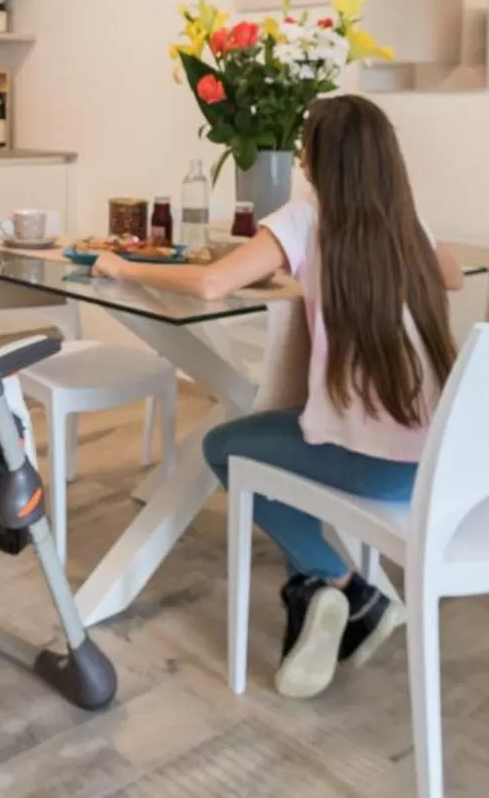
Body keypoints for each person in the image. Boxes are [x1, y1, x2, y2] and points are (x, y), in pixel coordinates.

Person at [91, 94, 464, 700]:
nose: (299, 161)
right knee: (286, 433)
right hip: (432, 460)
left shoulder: (307, 216)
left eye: (304, 149)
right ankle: (325, 596)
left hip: (369, 464)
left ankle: (340, 584)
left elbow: (211, 283)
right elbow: (450, 274)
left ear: (317, 161)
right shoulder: (405, 221)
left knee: (225, 447)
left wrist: (124, 268)